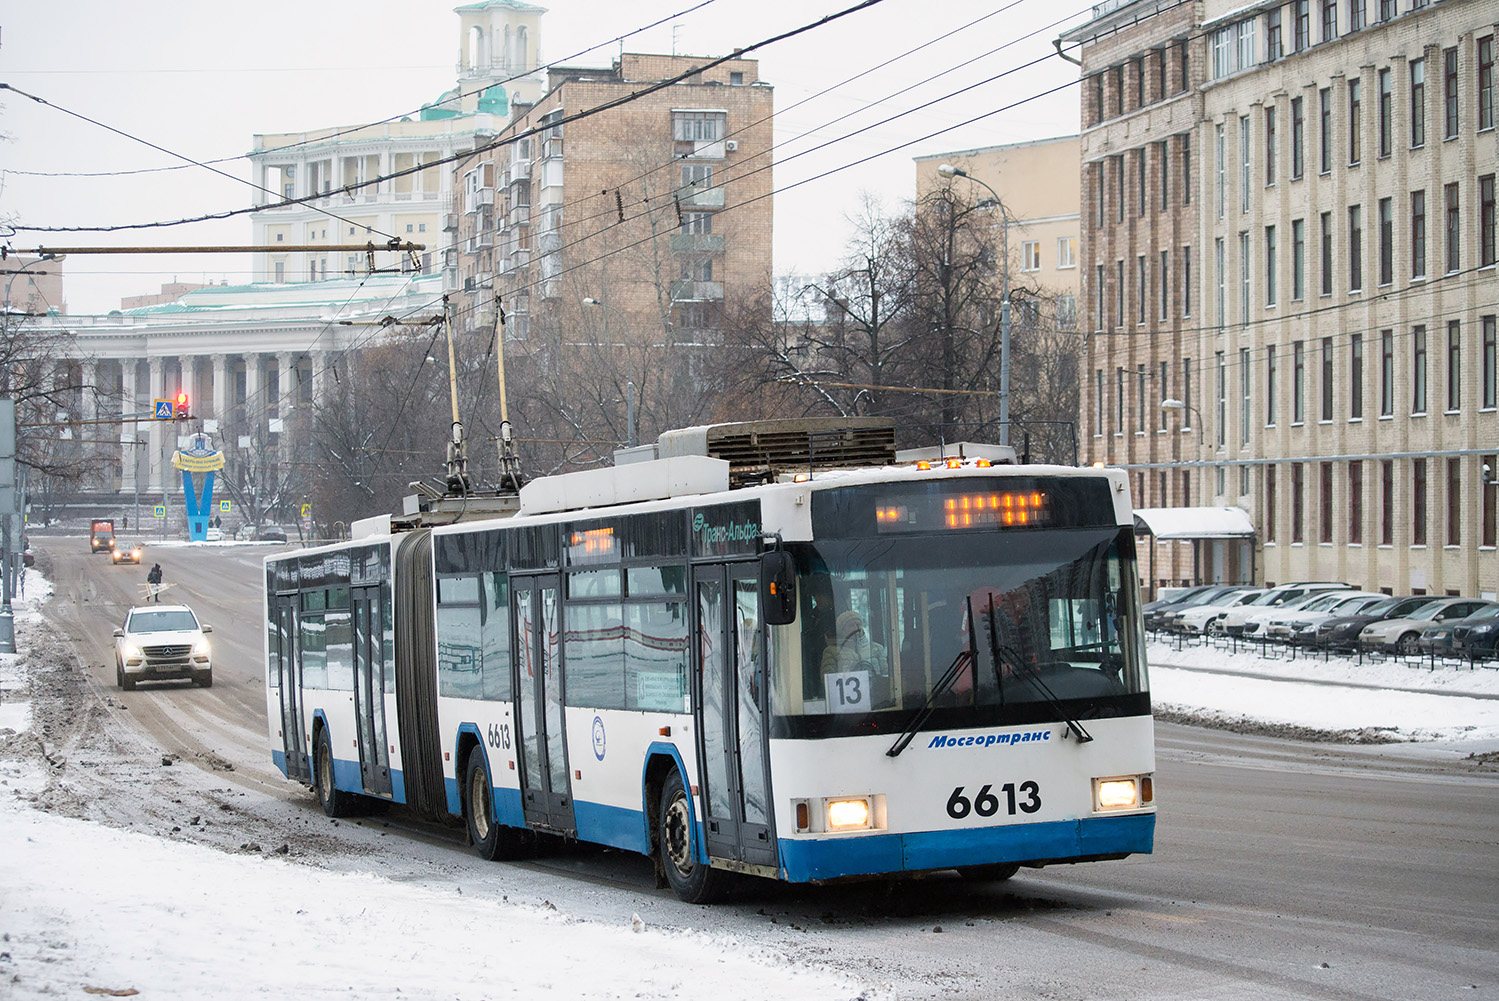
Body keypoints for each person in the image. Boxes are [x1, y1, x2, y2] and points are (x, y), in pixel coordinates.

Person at [820, 610, 888, 677]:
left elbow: (887, 676)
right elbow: (828, 680)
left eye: (859, 624)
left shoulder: (877, 648)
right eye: (851, 625)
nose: (857, 628)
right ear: (841, 630)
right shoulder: (831, 652)